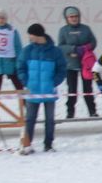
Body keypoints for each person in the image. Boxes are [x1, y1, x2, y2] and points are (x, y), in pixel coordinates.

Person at [15, 23, 66, 154]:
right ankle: (27, 144)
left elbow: (62, 69)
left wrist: (53, 83)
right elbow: (20, 68)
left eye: (31, 34)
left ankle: (48, 145)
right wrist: (26, 82)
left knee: (50, 120)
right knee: (30, 119)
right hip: (32, 91)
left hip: (49, 91)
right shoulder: (27, 50)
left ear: (37, 35)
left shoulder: (55, 51)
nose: (29, 37)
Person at [55, 6, 98, 119]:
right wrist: (73, 49)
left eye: (76, 16)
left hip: (85, 64)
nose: (74, 18)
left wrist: (85, 48)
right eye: (71, 17)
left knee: (88, 89)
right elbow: (61, 47)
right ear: (67, 18)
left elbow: (93, 42)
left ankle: (92, 111)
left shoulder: (86, 29)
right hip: (70, 64)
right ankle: (70, 112)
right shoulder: (63, 30)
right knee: (72, 90)